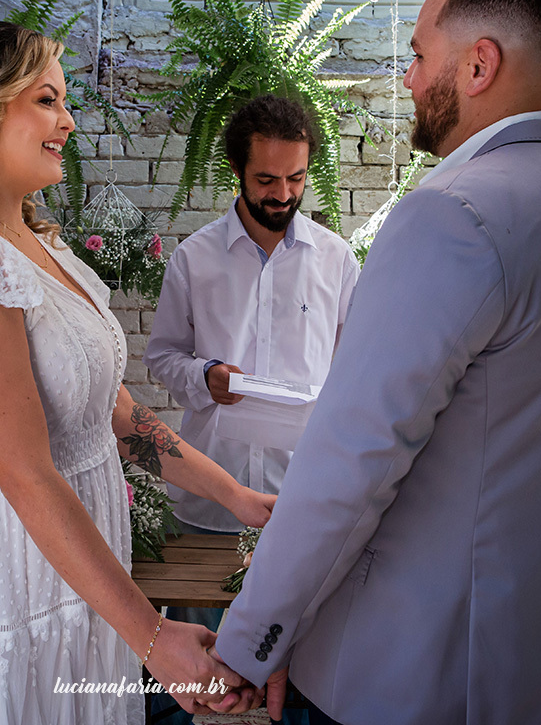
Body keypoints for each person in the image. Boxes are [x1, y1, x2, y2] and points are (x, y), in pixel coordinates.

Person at [210, 0, 541, 725]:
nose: (408, 79)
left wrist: (251, 641)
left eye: (419, 55)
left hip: (415, 671)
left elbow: (354, 457)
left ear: (479, 64)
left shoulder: (456, 214)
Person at [0, 20, 274, 724]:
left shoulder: (43, 248)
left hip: (79, 585)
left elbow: (113, 415)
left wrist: (240, 499)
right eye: (46, 100)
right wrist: (155, 635)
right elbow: (24, 471)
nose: (68, 122)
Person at [142, 94, 358, 724]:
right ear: (238, 170)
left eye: (295, 177)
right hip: (211, 491)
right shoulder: (195, 258)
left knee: (303, 673)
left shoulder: (337, 262)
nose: (283, 192)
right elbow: (161, 359)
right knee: (191, 676)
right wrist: (204, 376)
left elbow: (355, 373)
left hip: (303, 497)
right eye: (266, 179)